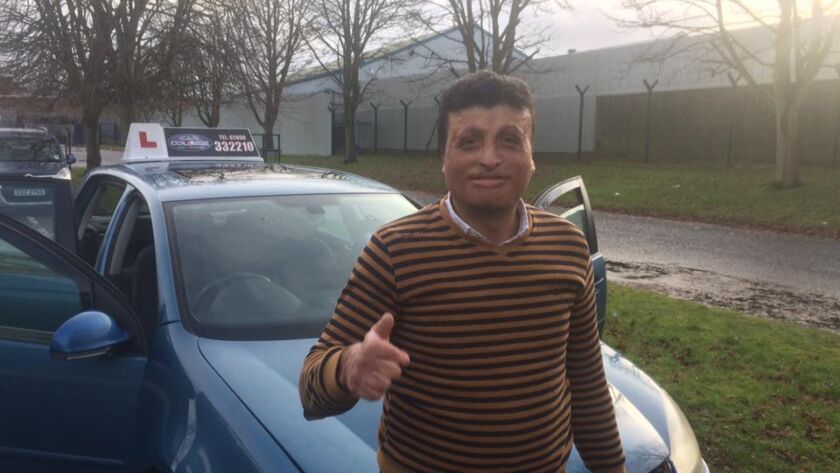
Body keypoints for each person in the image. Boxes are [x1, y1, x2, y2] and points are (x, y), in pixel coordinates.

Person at [299, 71, 627, 473]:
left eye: (510, 139)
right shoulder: (394, 251)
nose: (489, 158)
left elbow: (588, 384)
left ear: (532, 154)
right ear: (444, 159)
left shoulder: (568, 245)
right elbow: (311, 390)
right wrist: (349, 365)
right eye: (468, 141)